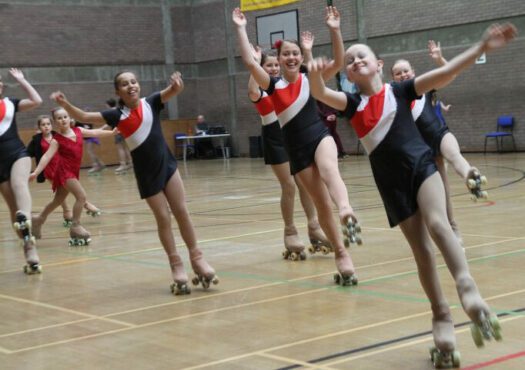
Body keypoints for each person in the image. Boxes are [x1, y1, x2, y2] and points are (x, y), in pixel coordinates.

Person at [307, 22, 516, 366]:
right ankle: (440, 314)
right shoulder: (353, 105)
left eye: (363, 57)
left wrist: (480, 47)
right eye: (350, 61)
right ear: (348, 74)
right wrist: (315, 74)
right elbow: (320, 94)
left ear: (377, 65)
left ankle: (467, 288)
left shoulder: (401, 91)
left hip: (421, 166)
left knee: (439, 225)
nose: (356, 61)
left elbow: (446, 72)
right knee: (421, 252)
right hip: (391, 184)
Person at [48, 71, 218, 295]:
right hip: (147, 174)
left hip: (167, 166)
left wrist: (177, 84)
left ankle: (197, 259)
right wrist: (65, 103)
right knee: (164, 218)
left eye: (133, 82)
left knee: (181, 211)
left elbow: (173, 91)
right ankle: (176, 264)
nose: (131, 86)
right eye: (124, 84)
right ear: (118, 91)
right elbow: (85, 116)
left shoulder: (152, 102)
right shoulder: (116, 115)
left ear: (138, 85)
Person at [233, 6, 359, 285]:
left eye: (295, 53)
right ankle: (341, 253)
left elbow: (339, 62)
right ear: (278, 59)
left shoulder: (309, 79)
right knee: (320, 203)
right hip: (296, 150)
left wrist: (335, 30)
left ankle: (347, 208)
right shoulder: (273, 86)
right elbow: (250, 64)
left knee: (329, 170)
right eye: (285, 54)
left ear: (301, 57)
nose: (290, 57)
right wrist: (241, 29)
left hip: (319, 136)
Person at [390, 39, 487, 245]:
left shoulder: (423, 87)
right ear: (392, 78)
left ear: (413, 72)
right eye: (398, 73)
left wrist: (439, 58)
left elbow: (449, 73)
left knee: (454, 155)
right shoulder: (394, 98)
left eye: (405, 71)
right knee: (443, 192)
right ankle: (453, 230)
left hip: (439, 133)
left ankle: (471, 175)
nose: (402, 75)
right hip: (423, 150)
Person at [248, 46, 331, 259]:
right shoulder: (264, 88)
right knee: (289, 185)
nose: (274, 68)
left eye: (276, 64)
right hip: (275, 139)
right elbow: (252, 92)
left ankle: (314, 226)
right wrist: (255, 64)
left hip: (294, 136)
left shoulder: (291, 84)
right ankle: (290, 230)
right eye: (269, 65)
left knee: (306, 183)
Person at [29, 108, 116, 246]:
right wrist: (36, 172)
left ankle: (38, 219)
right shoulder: (56, 140)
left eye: (65, 116)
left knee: (57, 201)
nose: (63, 119)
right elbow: (46, 156)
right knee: (81, 196)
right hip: (64, 172)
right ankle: (75, 226)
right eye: (59, 118)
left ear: (70, 118)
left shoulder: (78, 131)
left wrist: (112, 132)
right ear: (56, 123)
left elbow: (95, 132)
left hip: (73, 171)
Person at [0, 68, 43, 274]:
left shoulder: (10, 103)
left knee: (19, 185)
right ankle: (29, 249)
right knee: (11, 206)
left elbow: (36, 101)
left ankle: (24, 218)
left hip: (17, 153)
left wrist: (22, 80)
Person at [27, 115, 102, 227]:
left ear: (52, 125)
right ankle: (80, 207)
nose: (46, 127)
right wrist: (33, 171)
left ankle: (51, 216)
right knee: (68, 192)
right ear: (38, 127)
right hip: (49, 170)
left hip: (61, 167)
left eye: (48, 124)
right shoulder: (37, 140)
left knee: (61, 195)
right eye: (43, 125)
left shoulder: (58, 136)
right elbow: (29, 154)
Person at [106, 98, 133, 174]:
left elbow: (108, 122)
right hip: (125, 131)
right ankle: (131, 163)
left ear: (108, 105)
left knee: (120, 148)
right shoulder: (120, 110)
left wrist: (101, 128)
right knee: (126, 147)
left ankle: (123, 165)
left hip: (118, 131)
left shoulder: (111, 111)